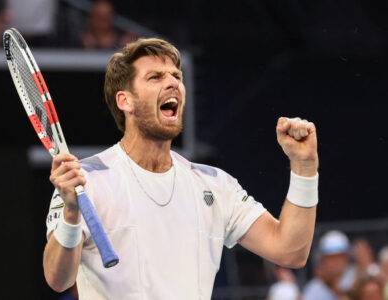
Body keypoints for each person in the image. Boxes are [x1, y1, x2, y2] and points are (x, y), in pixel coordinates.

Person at [43, 38, 319, 299]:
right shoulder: (85, 180)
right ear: (125, 101)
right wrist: (70, 213)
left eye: (176, 76)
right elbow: (58, 278)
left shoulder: (214, 185)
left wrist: (305, 168)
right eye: (155, 77)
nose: (173, 83)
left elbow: (290, 251)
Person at [303, 230, 352, 300]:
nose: (335, 262)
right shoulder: (314, 288)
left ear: (347, 257)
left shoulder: (357, 279)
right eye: (330, 258)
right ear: (322, 260)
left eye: (339, 257)